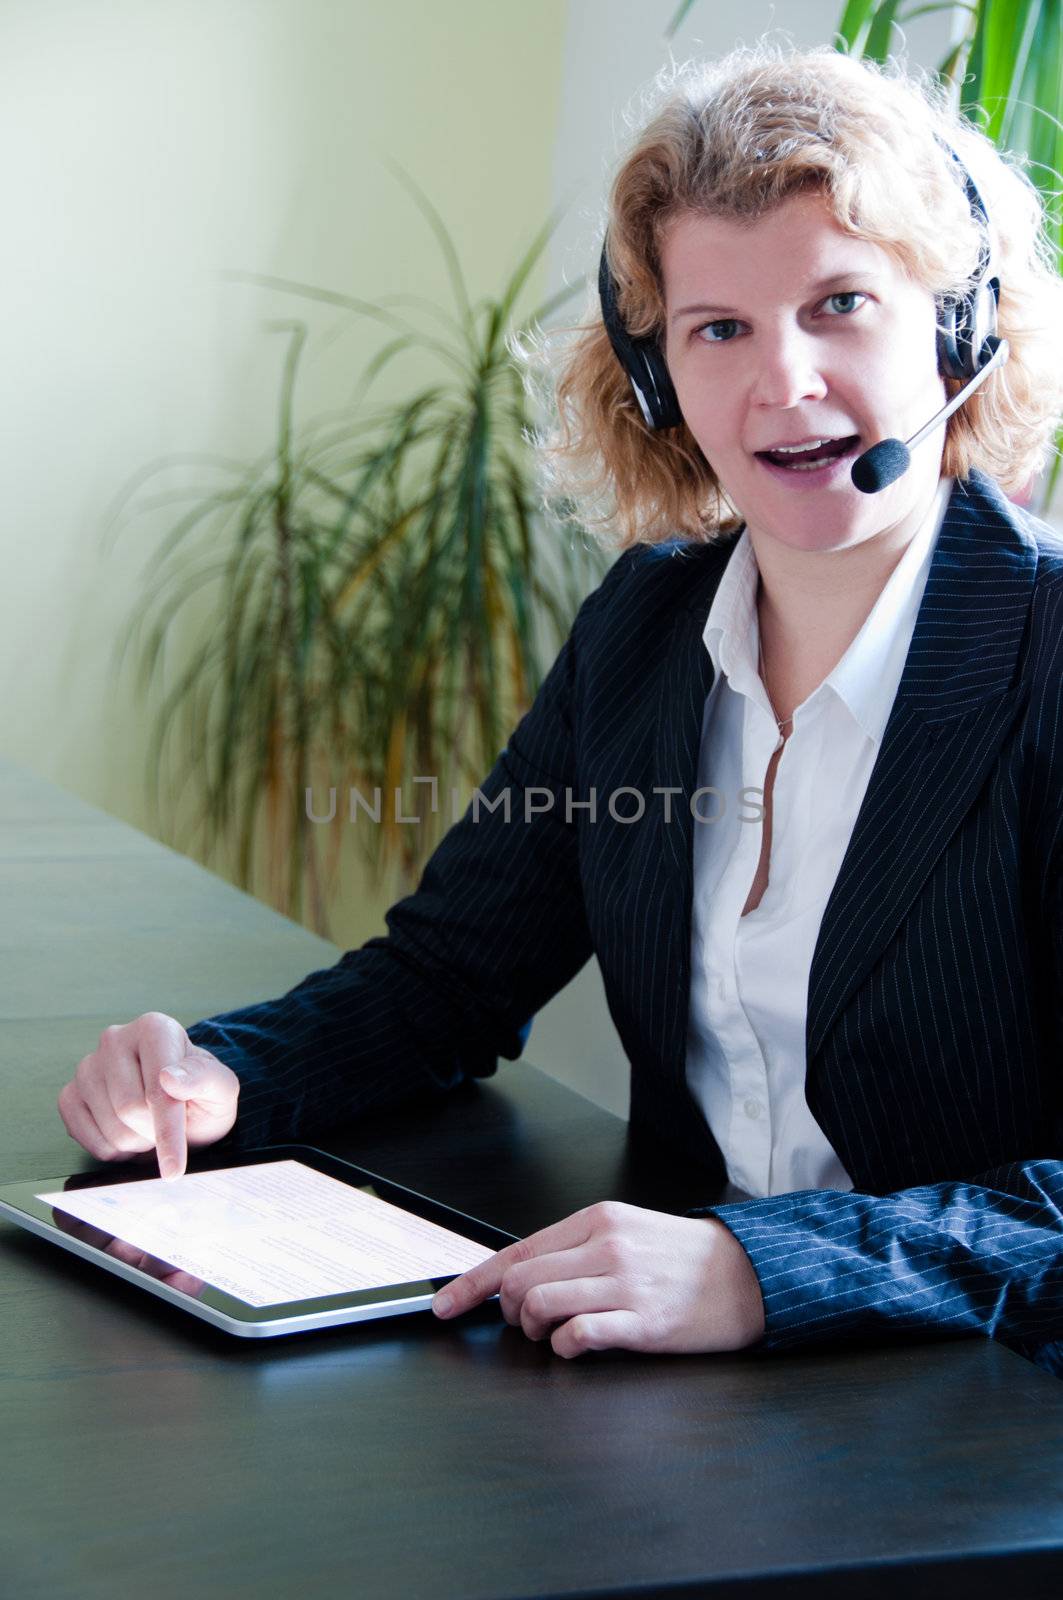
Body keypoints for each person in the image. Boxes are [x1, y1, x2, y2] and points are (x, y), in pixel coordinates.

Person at [58, 43, 1063, 1371]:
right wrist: (218, 1072)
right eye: (719, 329)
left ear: (959, 327)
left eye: (839, 306)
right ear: (656, 380)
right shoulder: (646, 632)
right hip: (698, 1389)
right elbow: (449, 978)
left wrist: (770, 1269)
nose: (784, 384)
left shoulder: (1043, 654)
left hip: (984, 1414)